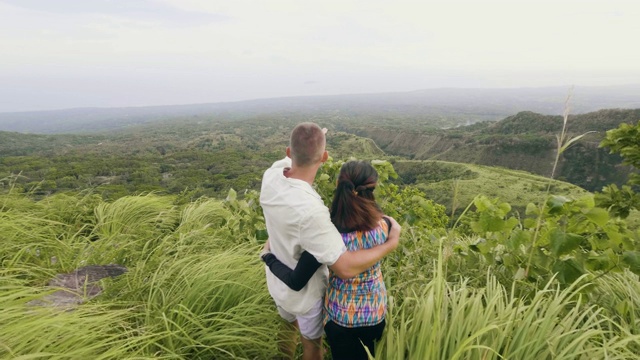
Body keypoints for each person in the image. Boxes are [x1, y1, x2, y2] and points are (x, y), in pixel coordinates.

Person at [259, 123, 401, 360]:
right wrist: (390, 243)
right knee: (313, 348)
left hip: (278, 284)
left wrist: (268, 257)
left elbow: (295, 155)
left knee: (286, 329)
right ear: (324, 157)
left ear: (288, 152)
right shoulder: (314, 214)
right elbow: (344, 267)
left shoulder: (271, 176)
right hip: (308, 298)